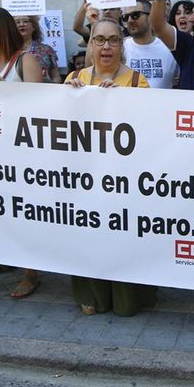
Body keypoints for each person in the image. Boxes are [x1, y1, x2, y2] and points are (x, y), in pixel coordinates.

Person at [64, 18, 155, 316]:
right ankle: (92, 294)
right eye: (99, 39)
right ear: (90, 45)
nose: (106, 46)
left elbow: (147, 128)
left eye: (113, 39)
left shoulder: (136, 81)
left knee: (120, 237)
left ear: (122, 44)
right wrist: (71, 99)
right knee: (87, 235)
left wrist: (119, 99)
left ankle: (128, 297)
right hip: (85, 179)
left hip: (122, 181)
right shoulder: (74, 79)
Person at [0, 7, 44, 298]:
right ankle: (1, 256)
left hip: (23, 155)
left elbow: (41, 107)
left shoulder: (25, 61)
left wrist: (6, 94)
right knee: (0, 208)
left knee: (25, 213)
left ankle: (31, 272)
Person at [122, 0, 179, 89]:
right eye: (125, 17)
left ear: (150, 16)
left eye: (135, 15)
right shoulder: (120, 48)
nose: (130, 20)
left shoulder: (169, 47)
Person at [14, 15, 61, 83]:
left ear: (34, 27)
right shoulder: (7, 50)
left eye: (26, 21)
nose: (21, 24)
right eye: (17, 22)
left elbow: (55, 76)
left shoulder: (46, 50)